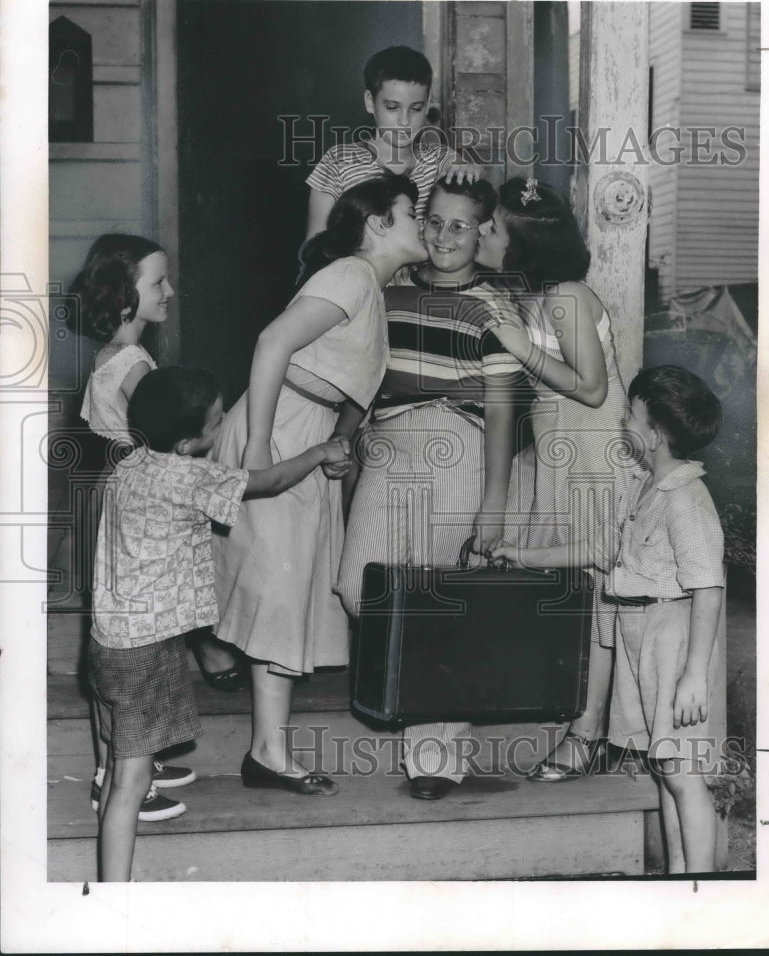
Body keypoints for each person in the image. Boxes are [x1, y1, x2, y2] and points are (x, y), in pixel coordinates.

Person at [212, 174, 428, 796]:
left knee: (286, 590)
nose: (419, 223)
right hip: (275, 425)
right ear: (379, 223)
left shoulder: (369, 289)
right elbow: (272, 341)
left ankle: (265, 749)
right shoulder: (350, 276)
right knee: (275, 590)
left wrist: (339, 444)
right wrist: (257, 446)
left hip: (303, 434)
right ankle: (267, 750)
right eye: (410, 212)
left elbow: (347, 385)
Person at [88, 365, 349, 881]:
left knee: (115, 759)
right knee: (129, 787)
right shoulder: (192, 476)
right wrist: (320, 451)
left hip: (107, 642)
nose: (224, 423)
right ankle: (113, 899)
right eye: (217, 420)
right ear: (188, 443)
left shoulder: (127, 465)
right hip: (146, 651)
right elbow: (270, 480)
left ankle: (109, 837)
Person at [493, 365, 725, 874]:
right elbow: (601, 551)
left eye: (632, 415)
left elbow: (708, 589)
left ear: (656, 434)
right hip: (637, 636)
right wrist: (521, 554)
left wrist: (693, 676)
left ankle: (705, 891)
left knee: (683, 774)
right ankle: (680, 878)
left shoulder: (686, 499)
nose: (623, 423)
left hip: (673, 639)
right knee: (665, 771)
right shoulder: (642, 488)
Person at [337, 176, 524, 800]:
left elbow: (500, 413)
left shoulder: (496, 308)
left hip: (458, 447)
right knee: (358, 580)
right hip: (390, 446)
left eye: (461, 225)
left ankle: (435, 755)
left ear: (482, 232)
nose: (445, 236)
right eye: (436, 222)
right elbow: (361, 378)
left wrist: (491, 507)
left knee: (441, 595)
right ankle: (408, 699)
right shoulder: (386, 291)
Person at [474, 177, 636, 781]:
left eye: (492, 228)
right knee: (566, 589)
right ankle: (574, 719)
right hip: (555, 453)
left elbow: (592, 389)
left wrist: (520, 346)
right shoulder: (522, 294)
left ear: (522, 245)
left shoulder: (565, 296)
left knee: (596, 591)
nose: (483, 235)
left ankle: (588, 732)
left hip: (595, 453)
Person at [69, 233, 196, 821]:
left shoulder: (108, 355)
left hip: (112, 499)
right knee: (140, 638)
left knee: (118, 637)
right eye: (157, 284)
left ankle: (122, 760)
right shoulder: (136, 364)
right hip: (139, 509)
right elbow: (166, 439)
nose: (168, 291)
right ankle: (124, 777)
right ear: (125, 296)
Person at [305, 45, 477, 240]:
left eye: (416, 108)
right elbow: (315, 245)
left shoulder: (439, 159)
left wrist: (466, 170)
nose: (404, 121)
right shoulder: (337, 163)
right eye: (393, 107)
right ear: (370, 102)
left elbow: (463, 168)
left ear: (428, 103)